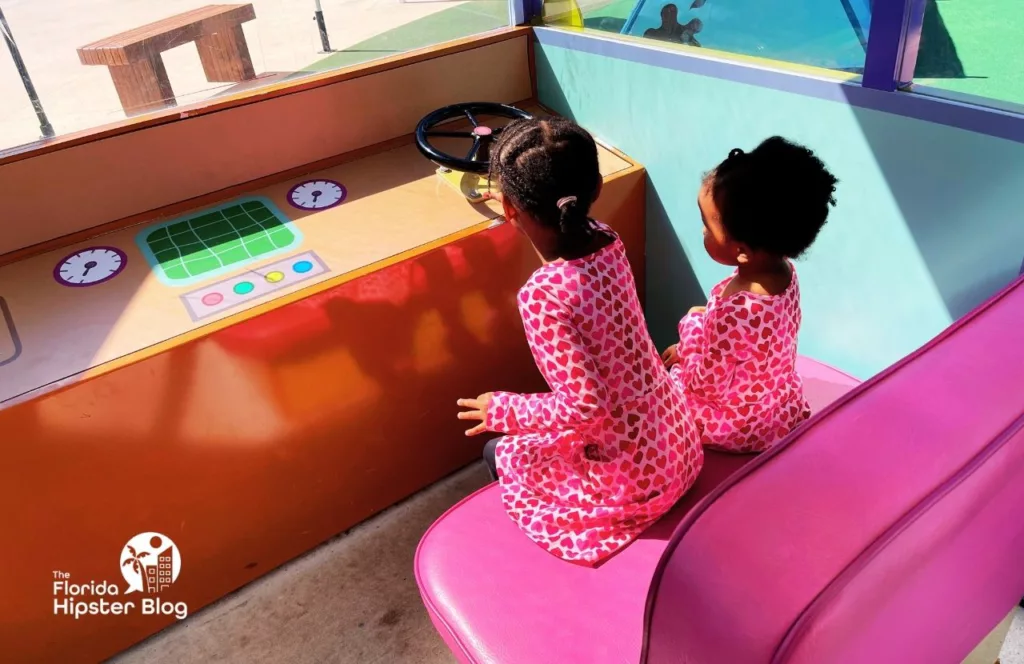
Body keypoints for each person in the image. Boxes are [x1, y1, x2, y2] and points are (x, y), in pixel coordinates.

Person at [457, 118, 702, 566]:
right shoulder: (609, 241)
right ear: (594, 190)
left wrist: (502, 410)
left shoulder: (543, 296)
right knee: (524, 446)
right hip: (677, 442)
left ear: (509, 209)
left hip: (639, 480)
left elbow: (585, 408)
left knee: (500, 450)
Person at [663, 137, 838, 453]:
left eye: (706, 226)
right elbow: (746, 344)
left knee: (659, 392)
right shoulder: (783, 272)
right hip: (775, 406)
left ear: (741, 251)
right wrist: (708, 320)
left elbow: (705, 383)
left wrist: (688, 332)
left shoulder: (740, 309)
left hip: (736, 425)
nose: (702, 232)